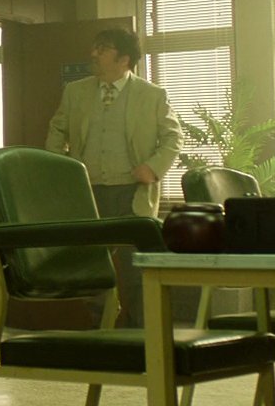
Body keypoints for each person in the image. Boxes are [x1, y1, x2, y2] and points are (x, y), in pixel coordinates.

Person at [43, 28, 181, 327]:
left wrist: (153, 167)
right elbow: (57, 131)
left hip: (132, 193)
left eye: (103, 48)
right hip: (89, 193)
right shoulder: (76, 91)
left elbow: (173, 137)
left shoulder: (152, 95)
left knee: (135, 271)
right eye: (95, 47)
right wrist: (62, 171)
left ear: (124, 59)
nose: (93, 54)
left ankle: (143, 335)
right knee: (92, 269)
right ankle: (101, 330)